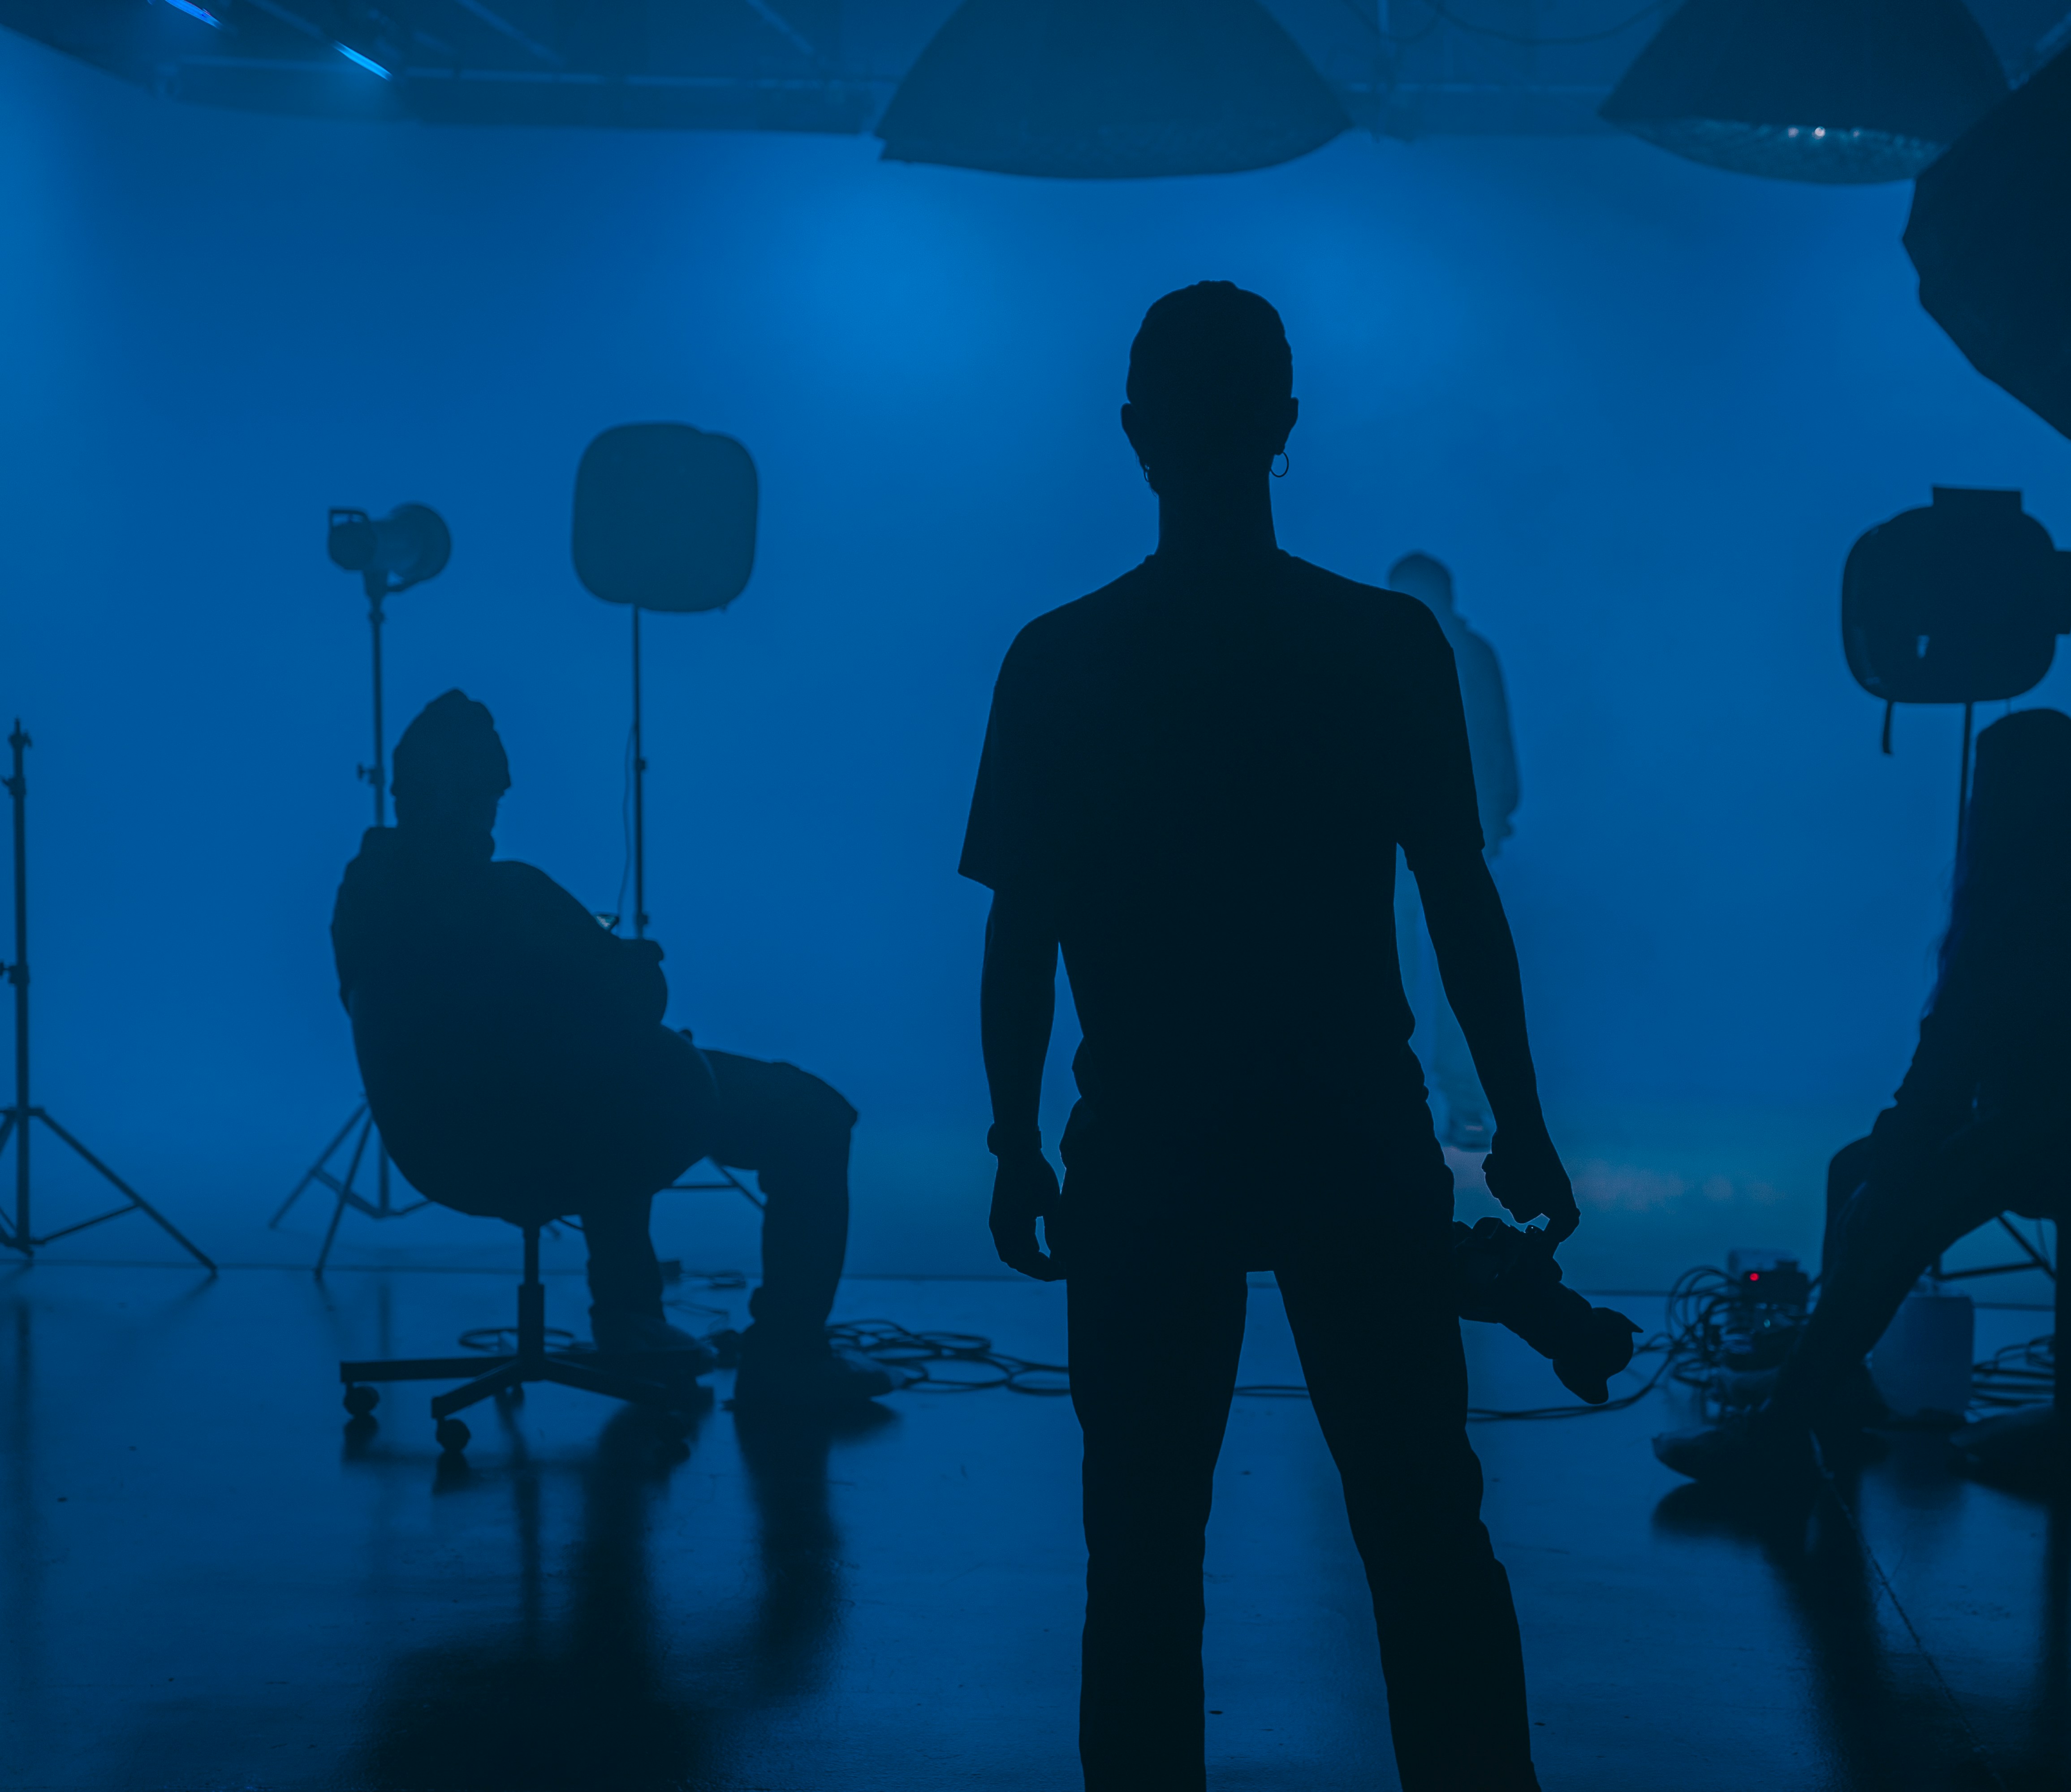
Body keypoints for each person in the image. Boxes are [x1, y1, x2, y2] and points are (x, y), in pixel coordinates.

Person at [962, 281, 1578, 1792]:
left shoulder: (1059, 658)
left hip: (1147, 1149)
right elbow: (1457, 901)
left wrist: (1016, 1140)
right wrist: (1519, 1119)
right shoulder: (1382, 646)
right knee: (1425, 1530)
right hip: (1349, 1134)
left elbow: (1020, 932)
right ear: (1284, 429)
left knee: (1145, 1554)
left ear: (1136, 437)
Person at [1653, 708, 2071, 1483]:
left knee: (1886, 1209)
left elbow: (1945, 1063)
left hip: (2025, 1131)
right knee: (1853, 1171)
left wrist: (1905, 1158)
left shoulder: (2015, 910)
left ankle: (1779, 1428)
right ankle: (1837, 1383)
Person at [330, 690, 890, 1410]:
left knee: (598, 1080)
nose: (494, 819)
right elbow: (638, 1001)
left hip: (445, 1148)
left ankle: (630, 1318)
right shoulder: (508, 894)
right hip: (551, 1135)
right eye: (490, 799)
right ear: (462, 795)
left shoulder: (363, 894)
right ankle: (788, 1359)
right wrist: (631, 959)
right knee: (809, 1115)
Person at [1387, 552, 1519, 1150]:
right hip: (1452, 842)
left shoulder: (1379, 650)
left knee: (1400, 971)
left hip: (1400, 843)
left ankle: (1404, 1099)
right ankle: (1456, 1106)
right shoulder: (1471, 654)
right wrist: (1496, 815)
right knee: (1453, 976)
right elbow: (1497, 746)